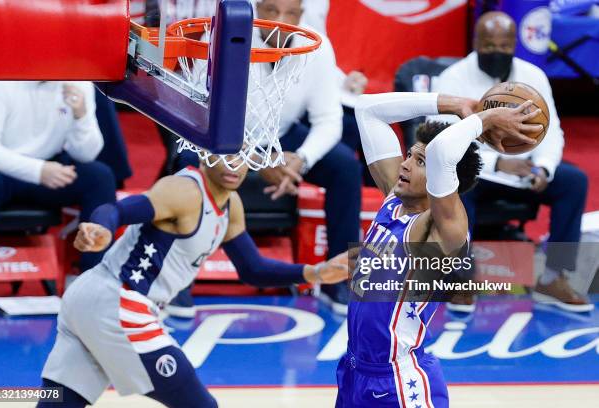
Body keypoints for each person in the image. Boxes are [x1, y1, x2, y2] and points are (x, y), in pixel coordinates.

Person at [37, 158, 348, 407]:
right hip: (119, 302)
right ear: (202, 153)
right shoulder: (184, 191)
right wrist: (102, 228)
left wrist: (315, 272)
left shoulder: (231, 204)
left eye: (239, 157)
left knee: (62, 400)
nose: (232, 166)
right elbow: (116, 210)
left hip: (91, 299)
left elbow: (252, 269)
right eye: (223, 155)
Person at [336, 91, 541, 407]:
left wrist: (483, 119)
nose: (405, 164)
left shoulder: (443, 228)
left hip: (398, 382)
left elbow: (444, 153)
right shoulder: (395, 200)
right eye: (409, 155)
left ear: (443, 181)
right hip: (353, 371)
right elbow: (367, 109)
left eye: (419, 161)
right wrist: (455, 104)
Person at [432, 11, 592, 313]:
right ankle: (460, 279)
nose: (497, 52)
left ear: (513, 45)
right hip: (475, 173)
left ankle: (554, 277)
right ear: (476, 42)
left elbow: (552, 130)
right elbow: (442, 140)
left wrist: (543, 167)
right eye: (489, 46)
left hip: (523, 172)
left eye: (504, 46)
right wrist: (496, 165)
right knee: (457, 185)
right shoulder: (453, 78)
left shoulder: (533, 77)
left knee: (573, 182)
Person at [253, 0, 361, 314]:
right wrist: (262, 160)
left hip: (282, 133)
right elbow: (208, 115)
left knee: (345, 167)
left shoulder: (316, 44)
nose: (280, 22)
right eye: (271, 11)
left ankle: (338, 278)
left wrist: (299, 159)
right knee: (186, 164)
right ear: (257, 8)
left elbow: (329, 120)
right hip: (226, 135)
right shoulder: (229, 36)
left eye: (290, 14)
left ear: (301, 15)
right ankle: (178, 284)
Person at [0, 81, 116, 271]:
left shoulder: (78, 84)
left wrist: (81, 117)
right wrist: (38, 171)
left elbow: (87, 154)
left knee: (100, 177)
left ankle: (95, 276)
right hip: (1, 169)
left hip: (50, 167)